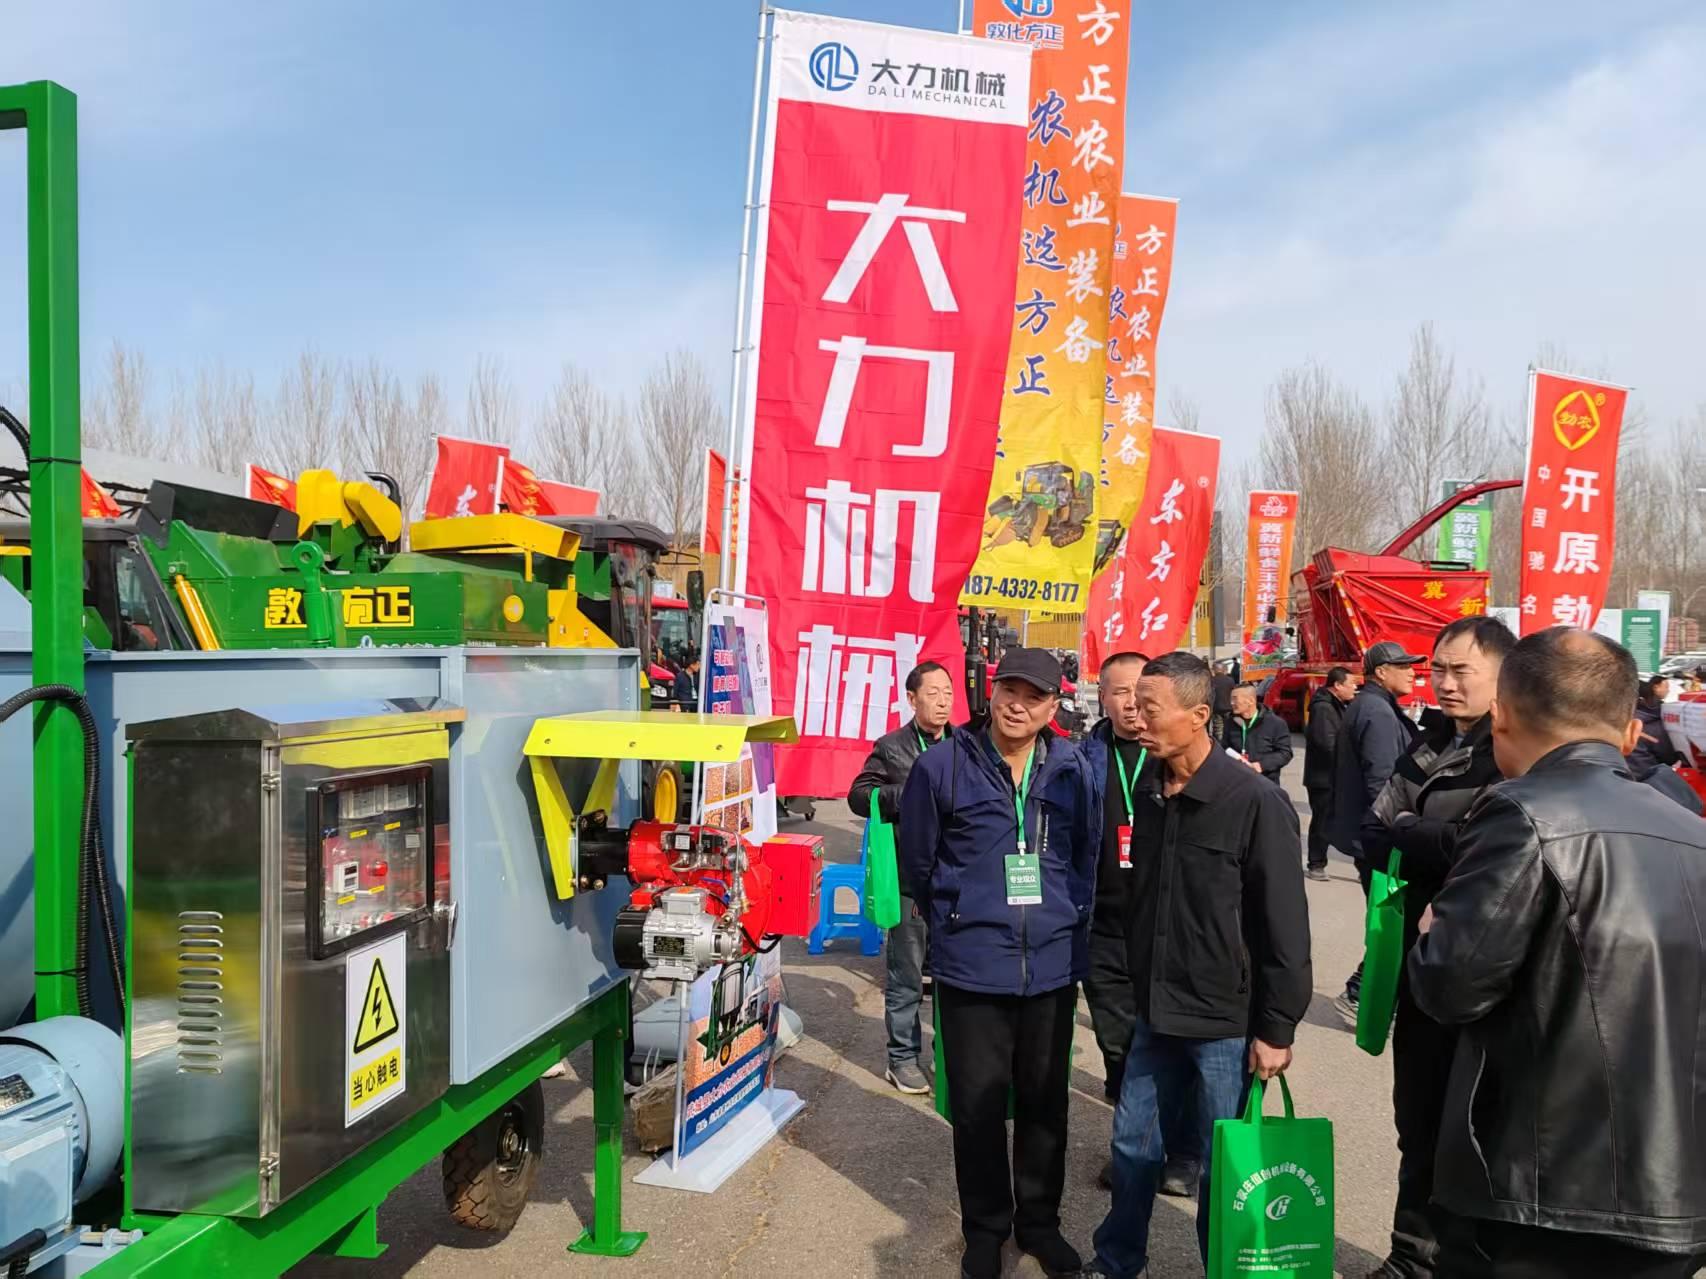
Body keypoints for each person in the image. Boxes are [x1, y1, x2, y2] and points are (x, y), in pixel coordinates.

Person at [1409, 627, 1706, 1278]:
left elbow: (1451, 985)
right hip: (1680, 1195)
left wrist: (1434, 931)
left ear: (1501, 717)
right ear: (1631, 732)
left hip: (1546, 1195)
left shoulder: (1521, 812)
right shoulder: (1694, 832)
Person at [1084, 652, 1312, 1279]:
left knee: (1222, 1166)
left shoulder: (1254, 801)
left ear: (1199, 715)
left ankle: (1225, 1268)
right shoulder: (1151, 792)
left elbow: (1284, 925)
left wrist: (1277, 1028)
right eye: (1133, 704)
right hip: (1155, 1012)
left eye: (1150, 707)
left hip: (1223, 1021)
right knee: (1132, 1146)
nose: (1136, 716)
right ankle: (1117, 1260)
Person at [898, 647, 1101, 1279]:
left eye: (1034, 696)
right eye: (1009, 689)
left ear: (1053, 705)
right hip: (972, 966)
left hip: (1051, 966)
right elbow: (918, 863)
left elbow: (1086, 854)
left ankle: (1039, 1224)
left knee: (1045, 1103)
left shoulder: (1071, 767)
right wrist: (959, 919)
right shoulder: (940, 766)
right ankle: (984, 1229)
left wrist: (1066, 920)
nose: (1018, 705)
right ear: (991, 691)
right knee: (978, 1108)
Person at [1357, 616, 1514, 1279]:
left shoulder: (1511, 753)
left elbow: (1486, 850)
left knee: (1475, 1132)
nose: (1444, 683)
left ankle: (1459, 1258)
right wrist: (1420, 835)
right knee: (1416, 1120)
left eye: (1460, 670)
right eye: (1438, 669)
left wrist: (1410, 829)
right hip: (1416, 965)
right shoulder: (1428, 742)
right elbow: (1370, 831)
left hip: (1483, 972)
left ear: (1503, 674)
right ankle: (1410, 1255)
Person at [1082, 652, 1201, 1198]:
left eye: (1141, 692)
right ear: (1102, 698)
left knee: (1175, 1042)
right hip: (1104, 926)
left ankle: (1184, 1151)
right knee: (1119, 1044)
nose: (1132, 704)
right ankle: (1134, 1147)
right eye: (1119, 692)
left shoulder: (1178, 755)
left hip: (1167, 927)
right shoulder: (1082, 759)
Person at [849, 660, 956, 1096]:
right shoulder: (892, 747)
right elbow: (859, 796)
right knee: (906, 977)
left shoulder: (964, 744)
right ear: (912, 699)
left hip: (956, 883)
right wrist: (910, 795)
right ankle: (902, 1058)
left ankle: (949, 1057)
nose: (943, 701)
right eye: (933, 693)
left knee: (954, 978)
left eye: (948, 692)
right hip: (911, 882)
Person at [1328, 640, 1423, 1019]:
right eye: (1404, 666)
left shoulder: (1373, 706)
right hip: (1382, 840)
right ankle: (1359, 994)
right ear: (1381, 672)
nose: (1413, 672)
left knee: (1392, 923)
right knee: (1393, 925)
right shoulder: (1377, 712)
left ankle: (1371, 995)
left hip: (1371, 836)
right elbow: (1382, 782)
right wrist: (1402, 834)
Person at [1301, 666, 1356, 881]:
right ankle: (1316, 863)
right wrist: (1349, 760)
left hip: (1335, 774)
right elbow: (1326, 743)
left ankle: (1362, 865)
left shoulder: (1338, 704)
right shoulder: (1323, 708)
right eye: (1351, 684)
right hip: (1323, 777)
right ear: (1338, 685)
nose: (1355, 688)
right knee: (1322, 821)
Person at [1220, 682, 1293, 783]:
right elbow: (1224, 747)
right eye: (1231, 699)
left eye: (1235, 699)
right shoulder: (1230, 722)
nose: (1231, 703)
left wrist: (1262, 765)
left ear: (1251, 701)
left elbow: (1285, 753)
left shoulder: (1275, 723)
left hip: (1265, 782)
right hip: (1237, 781)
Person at [1628, 674, 1681, 774]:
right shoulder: (1654, 724)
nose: (1668, 690)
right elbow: (1669, 758)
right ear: (1655, 688)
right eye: (1666, 687)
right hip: (1647, 777)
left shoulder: (1620, 720)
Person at [1209, 660, 1236, 741]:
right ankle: (1228, 742)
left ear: (1214, 670)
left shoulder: (1211, 681)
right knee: (1229, 726)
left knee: (1218, 729)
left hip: (1216, 708)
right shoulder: (1230, 680)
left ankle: (1220, 744)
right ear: (1224, 670)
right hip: (1229, 707)